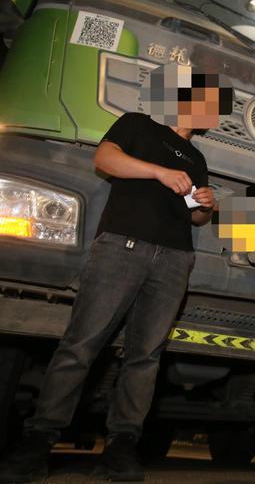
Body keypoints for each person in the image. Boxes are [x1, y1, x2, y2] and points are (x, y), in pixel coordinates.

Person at [0, 64, 232, 483]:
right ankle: (37, 441)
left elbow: (195, 219)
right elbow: (104, 159)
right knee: (81, 344)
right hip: (121, 247)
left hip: (175, 259)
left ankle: (122, 446)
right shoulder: (138, 125)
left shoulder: (197, 158)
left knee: (146, 356)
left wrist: (206, 204)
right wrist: (158, 171)